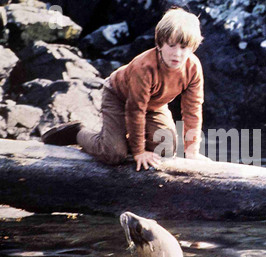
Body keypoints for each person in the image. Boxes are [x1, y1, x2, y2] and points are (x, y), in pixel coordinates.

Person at [42, 7, 210, 171]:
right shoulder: (144, 68)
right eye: (171, 45)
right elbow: (135, 109)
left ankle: (121, 138)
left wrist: (192, 150)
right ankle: (77, 132)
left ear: (193, 47)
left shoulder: (193, 67)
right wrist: (139, 152)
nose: (177, 54)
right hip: (119, 97)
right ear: (159, 44)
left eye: (183, 47)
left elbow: (192, 109)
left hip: (154, 104)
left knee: (165, 148)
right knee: (113, 154)